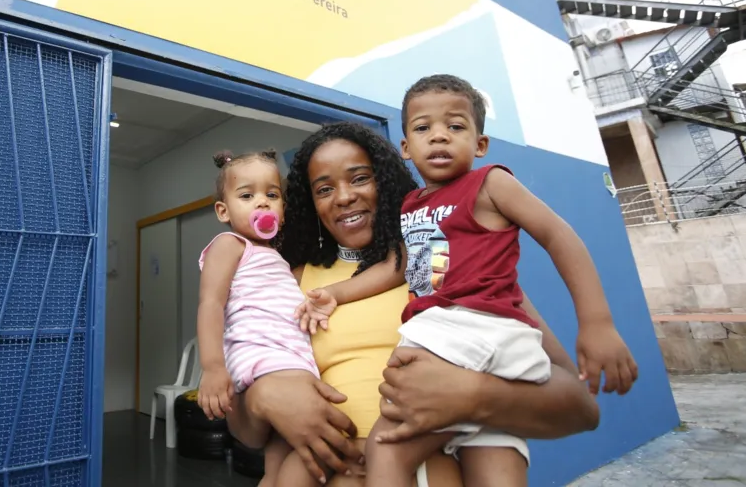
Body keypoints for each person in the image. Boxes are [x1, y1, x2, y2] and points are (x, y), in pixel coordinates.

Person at [222, 121, 600, 487]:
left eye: (360, 178)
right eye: (323, 189)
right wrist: (261, 398)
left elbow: (580, 408)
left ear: (385, 182)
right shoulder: (292, 281)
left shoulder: (446, 264)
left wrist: (474, 395)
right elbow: (248, 434)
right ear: (310, 204)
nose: (344, 197)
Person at [363, 74, 637, 487]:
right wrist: (331, 294)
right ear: (405, 148)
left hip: (464, 328)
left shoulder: (490, 182)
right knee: (496, 463)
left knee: (385, 447)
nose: (438, 137)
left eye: (455, 126)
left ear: (480, 144)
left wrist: (596, 323)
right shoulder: (413, 205)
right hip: (481, 342)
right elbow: (406, 266)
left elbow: (558, 234)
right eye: (423, 128)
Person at [196, 150, 405, 487]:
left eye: (272, 194)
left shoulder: (426, 263)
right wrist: (230, 376)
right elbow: (210, 303)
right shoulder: (289, 270)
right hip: (271, 369)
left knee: (283, 461)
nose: (345, 197)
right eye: (324, 189)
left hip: (403, 456)